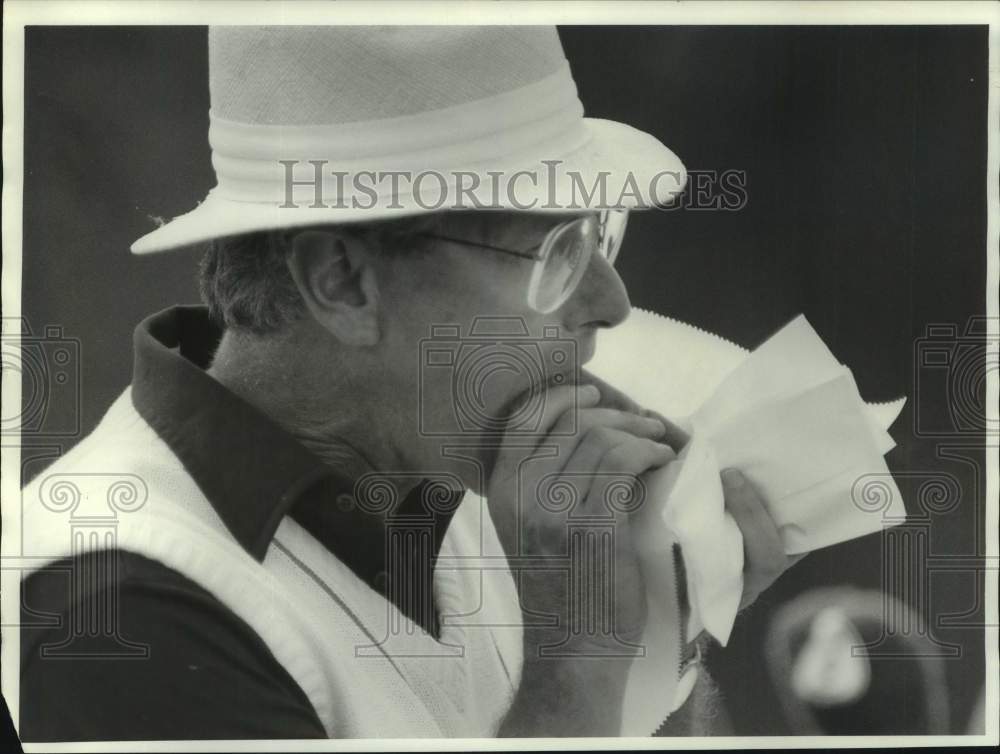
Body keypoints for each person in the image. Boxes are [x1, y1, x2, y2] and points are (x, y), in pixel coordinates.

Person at [18, 25, 797, 740]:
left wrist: (658, 630)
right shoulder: (114, 610)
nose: (612, 302)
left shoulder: (474, 479)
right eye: (557, 248)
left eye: (600, 234)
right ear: (342, 282)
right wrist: (577, 657)